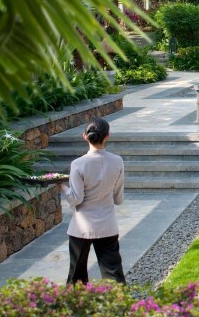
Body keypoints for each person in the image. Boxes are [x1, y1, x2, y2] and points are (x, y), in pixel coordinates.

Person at [60, 117, 126, 284]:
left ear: (85, 136)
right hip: (107, 224)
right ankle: (120, 300)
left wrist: (62, 187)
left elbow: (76, 199)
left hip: (82, 226)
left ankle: (77, 300)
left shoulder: (78, 164)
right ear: (107, 136)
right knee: (113, 273)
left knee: (77, 276)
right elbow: (118, 198)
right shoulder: (117, 161)